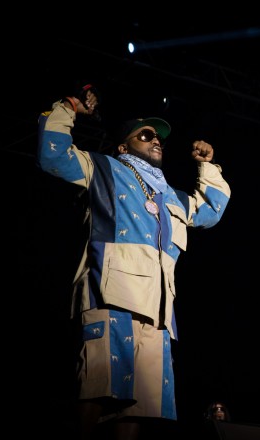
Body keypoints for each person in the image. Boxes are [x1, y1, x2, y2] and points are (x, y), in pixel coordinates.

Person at [37, 89, 231, 439]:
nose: (155, 140)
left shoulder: (169, 194)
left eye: (157, 136)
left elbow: (211, 210)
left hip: (157, 311)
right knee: (98, 387)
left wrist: (206, 165)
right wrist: (68, 109)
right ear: (123, 146)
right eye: (145, 135)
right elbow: (53, 156)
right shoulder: (104, 168)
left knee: (140, 406)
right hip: (111, 295)